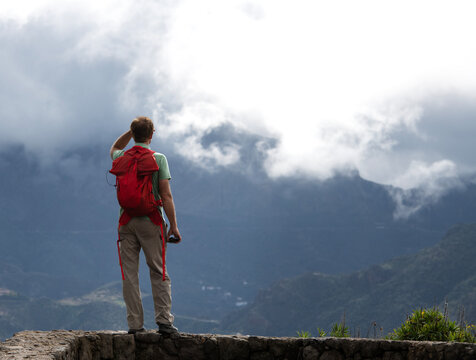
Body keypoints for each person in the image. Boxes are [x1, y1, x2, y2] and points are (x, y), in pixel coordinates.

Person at [109, 116, 181, 335]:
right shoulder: (158, 159)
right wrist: (174, 226)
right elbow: (166, 195)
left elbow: (115, 146)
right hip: (151, 221)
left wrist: (131, 132)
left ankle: (135, 326)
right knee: (158, 271)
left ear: (133, 133)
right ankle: (164, 322)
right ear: (152, 135)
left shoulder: (121, 156)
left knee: (129, 275)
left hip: (126, 222)